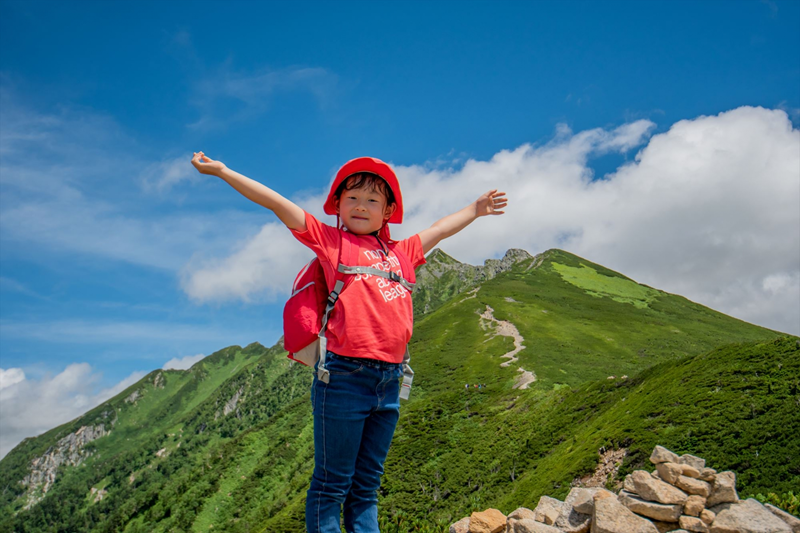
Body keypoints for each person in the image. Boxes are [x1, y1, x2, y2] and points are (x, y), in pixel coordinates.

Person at [190, 152, 507, 533]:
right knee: (331, 484)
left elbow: (439, 230)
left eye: (373, 200)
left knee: (367, 487)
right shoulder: (331, 242)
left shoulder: (402, 253)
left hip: (391, 382)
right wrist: (224, 172)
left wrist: (475, 209)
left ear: (388, 210)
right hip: (343, 378)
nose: (361, 206)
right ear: (337, 205)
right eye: (352, 197)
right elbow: (277, 203)